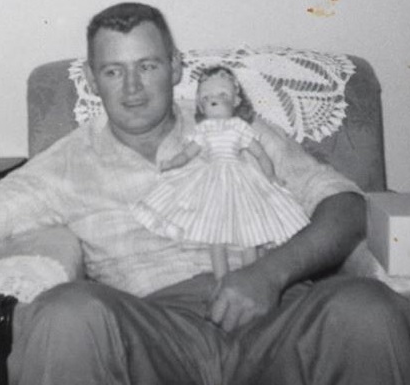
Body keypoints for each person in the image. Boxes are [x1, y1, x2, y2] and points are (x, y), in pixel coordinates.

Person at [0, 1, 410, 385]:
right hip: (153, 338)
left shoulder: (241, 130)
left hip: (277, 319)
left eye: (147, 66)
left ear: (176, 68)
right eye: (113, 71)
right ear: (92, 80)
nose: (132, 88)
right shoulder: (66, 164)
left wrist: (270, 275)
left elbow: (346, 208)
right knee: (65, 315)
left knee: (370, 311)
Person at [132, 65, 310, 278]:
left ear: (236, 101)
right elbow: (187, 154)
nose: (214, 100)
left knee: (249, 230)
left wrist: (271, 176)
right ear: (200, 105)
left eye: (222, 95)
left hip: (241, 180)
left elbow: (261, 154)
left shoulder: (239, 127)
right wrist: (171, 163)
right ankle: (221, 279)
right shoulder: (203, 130)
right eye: (207, 97)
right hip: (211, 182)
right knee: (214, 234)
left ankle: (250, 276)